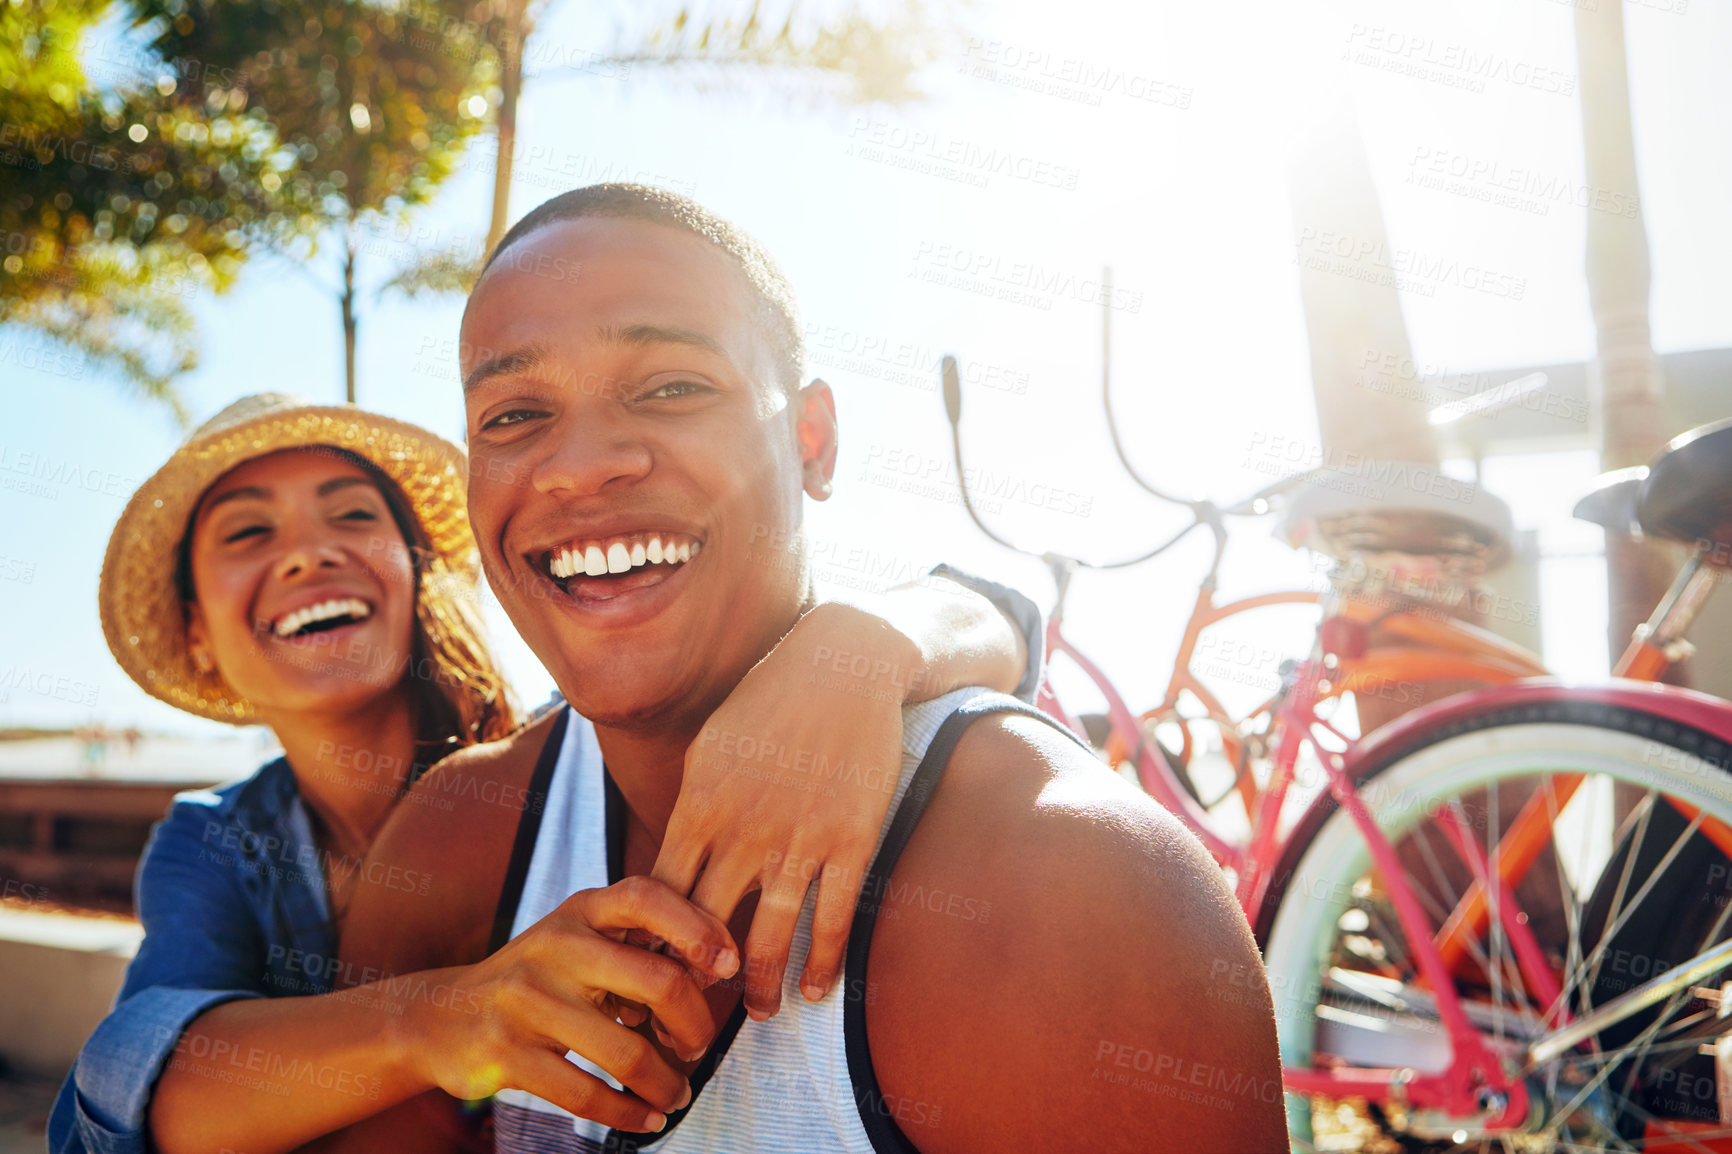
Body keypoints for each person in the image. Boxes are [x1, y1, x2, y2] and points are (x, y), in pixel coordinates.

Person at [333, 184, 1287, 1153]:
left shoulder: (1072, 894)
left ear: (812, 440)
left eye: (670, 385)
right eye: (513, 413)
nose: (579, 464)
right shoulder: (449, 853)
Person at [48, 393, 1038, 1154]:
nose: (308, 552)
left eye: (351, 515)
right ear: (196, 631)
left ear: (413, 571)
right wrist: (438, 1017)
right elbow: (128, 1083)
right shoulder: (217, 837)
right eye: (249, 532)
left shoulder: (556, 770)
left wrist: (856, 650)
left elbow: (999, 613)